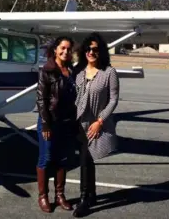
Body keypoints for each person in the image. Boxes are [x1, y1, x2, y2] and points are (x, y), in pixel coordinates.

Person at [72, 32, 120, 217]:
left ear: (101, 52)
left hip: (96, 124)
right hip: (79, 124)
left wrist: (100, 121)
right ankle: (92, 195)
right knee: (87, 159)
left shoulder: (109, 73)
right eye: (88, 49)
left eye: (95, 49)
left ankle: (84, 199)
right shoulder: (79, 71)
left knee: (85, 160)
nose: (91, 52)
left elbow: (113, 100)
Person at [36, 36, 77, 213]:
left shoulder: (71, 71)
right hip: (50, 121)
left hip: (66, 121)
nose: (65, 51)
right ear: (55, 50)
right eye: (62, 48)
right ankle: (43, 196)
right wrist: (45, 124)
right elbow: (41, 99)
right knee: (46, 158)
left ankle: (60, 195)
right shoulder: (47, 70)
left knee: (63, 159)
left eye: (69, 49)